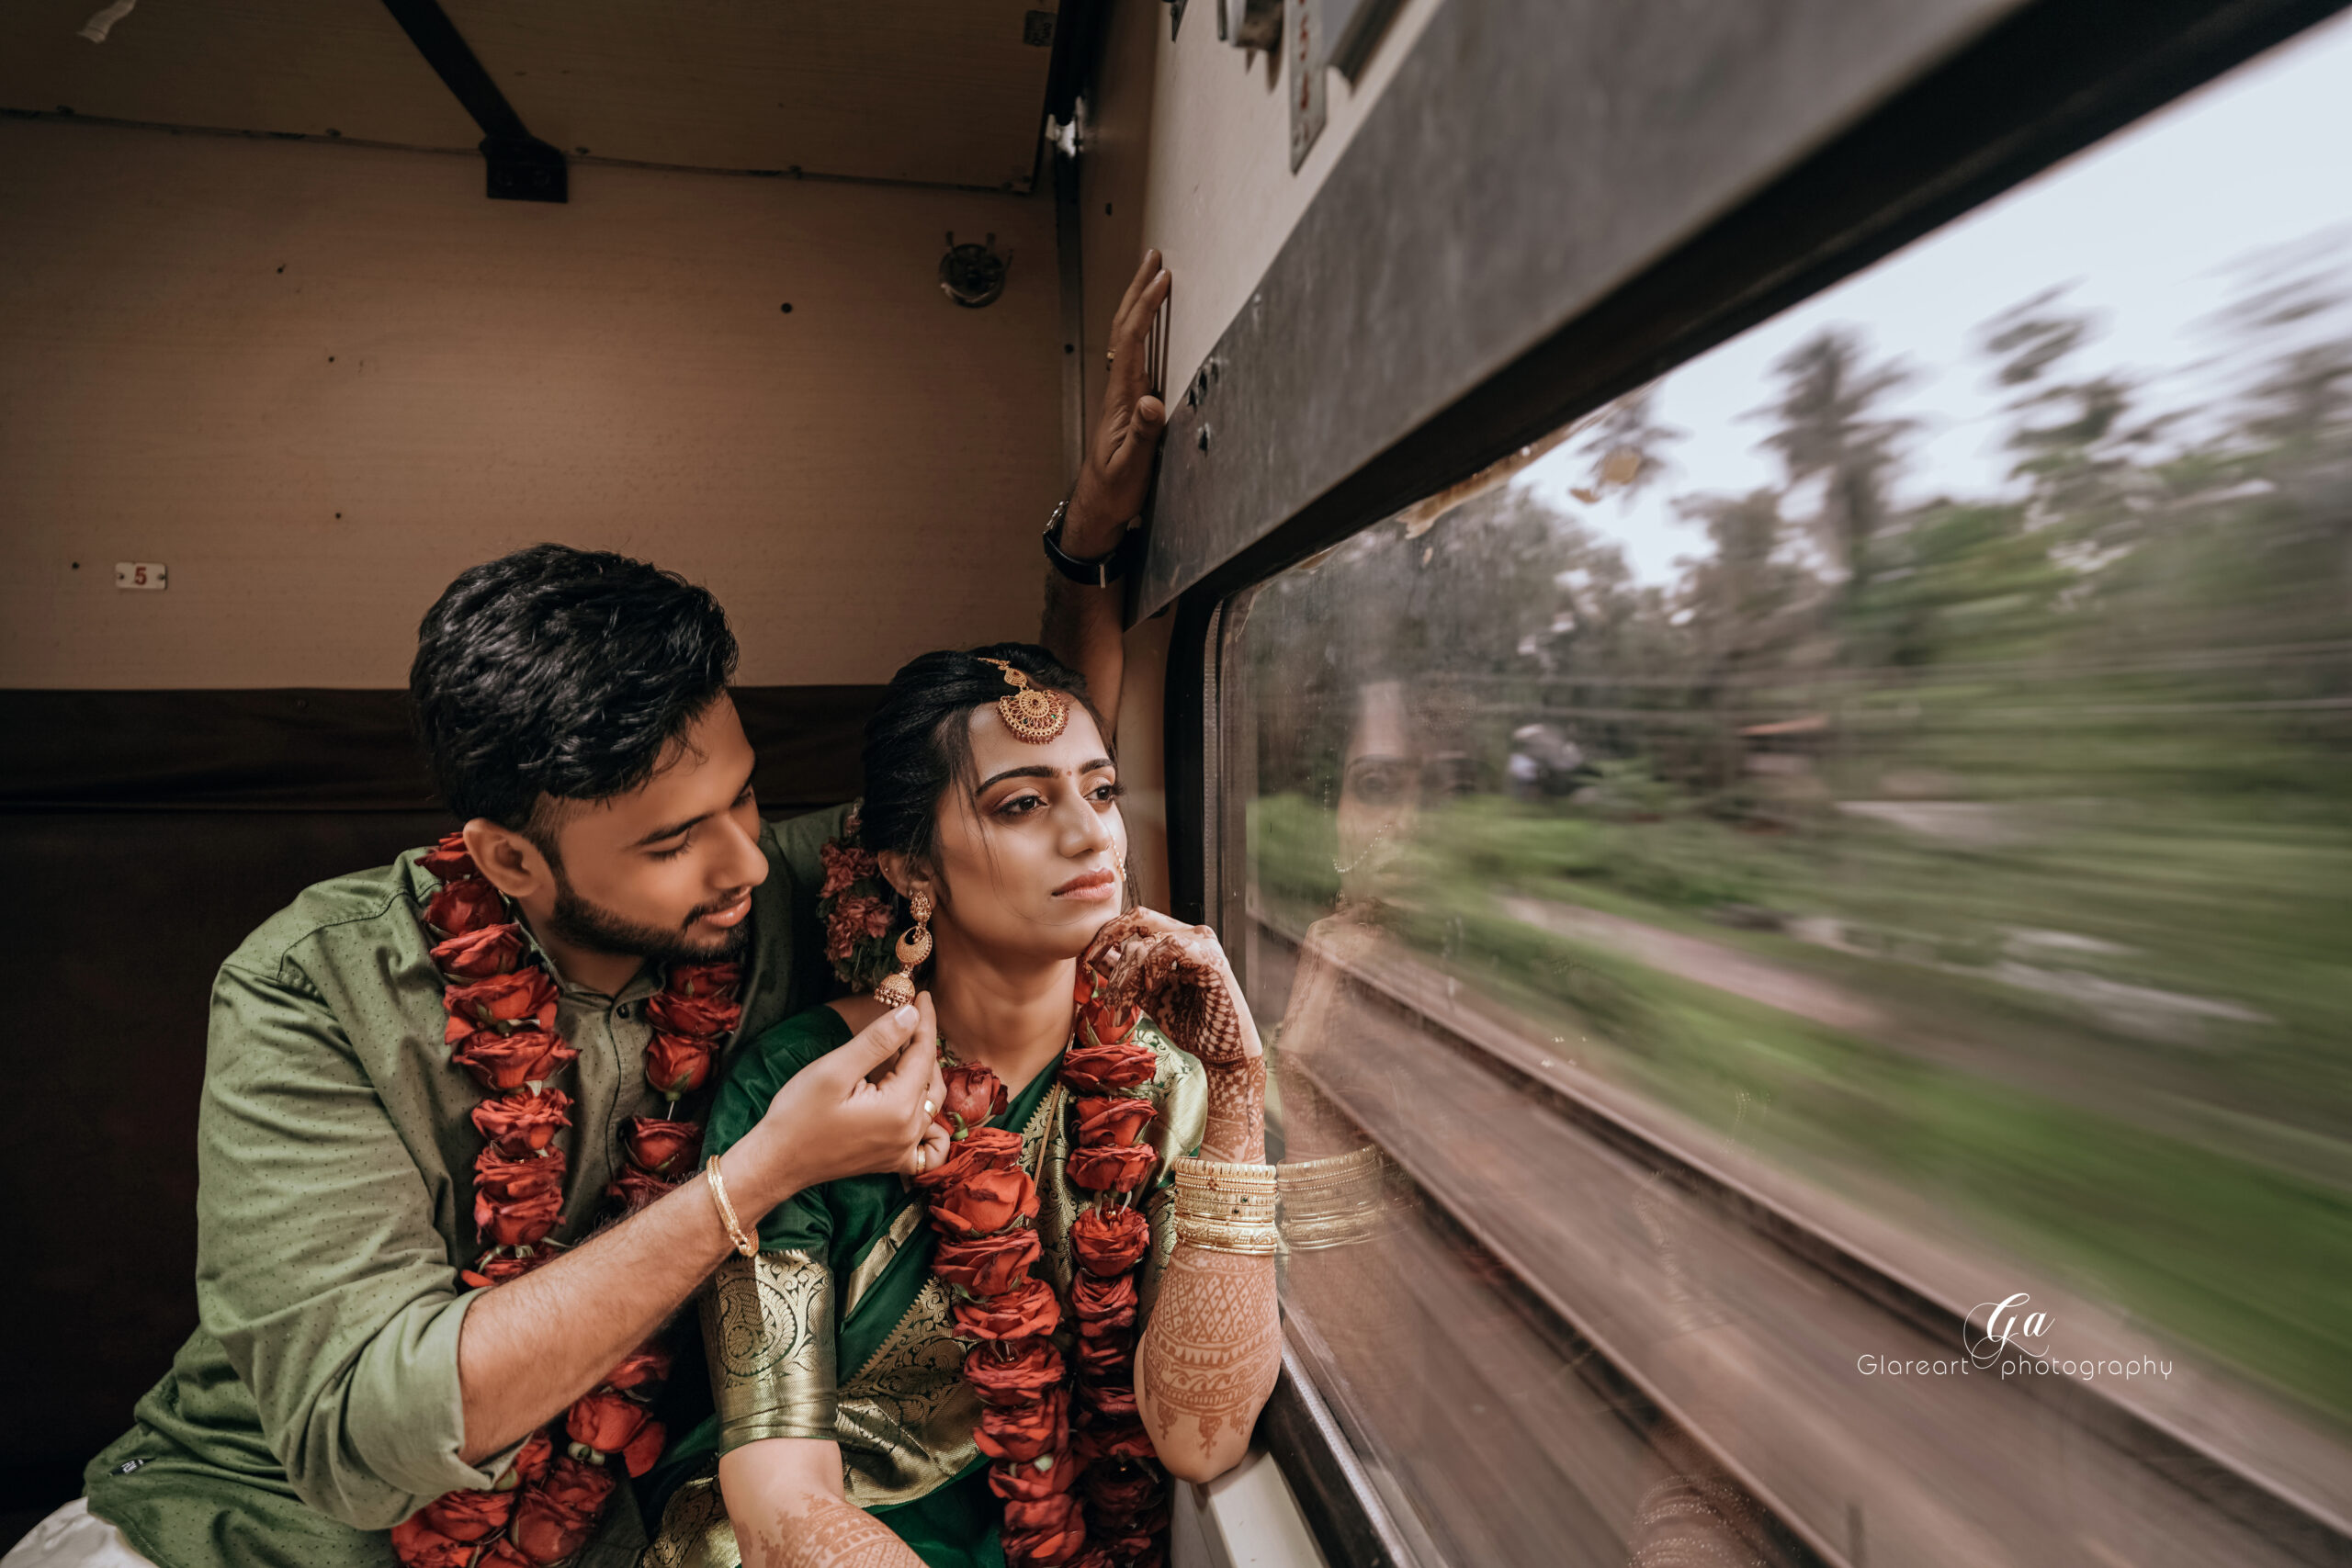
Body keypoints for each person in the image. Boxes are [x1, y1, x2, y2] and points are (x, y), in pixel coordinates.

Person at [5, 251, 1176, 1568]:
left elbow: (1000, 795)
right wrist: (753, 1181)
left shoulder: (764, 888)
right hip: (249, 1528)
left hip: (602, 1529)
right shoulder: (311, 987)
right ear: (509, 860)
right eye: (675, 842)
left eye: (746, 797)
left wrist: (1084, 542)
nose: (745, 860)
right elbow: (367, 1433)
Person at [639, 645, 1283, 1568]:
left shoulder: (1163, 1082)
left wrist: (1236, 1087)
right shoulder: (809, 1082)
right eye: (1022, 804)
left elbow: (1201, 1440)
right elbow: (774, 1485)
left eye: (1099, 792)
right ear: (912, 872)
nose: (1089, 836)